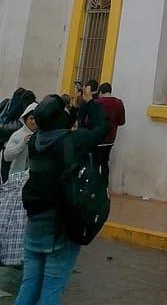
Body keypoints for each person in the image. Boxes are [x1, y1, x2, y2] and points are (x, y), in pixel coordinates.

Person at [15, 92, 106, 305]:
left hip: (35, 226)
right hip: (60, 228)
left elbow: (60, 127)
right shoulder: (74, 141)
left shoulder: (35, 141)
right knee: (51, 290)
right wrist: (91, 102)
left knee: (29, 286)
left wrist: (73, 110)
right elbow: (100, 130)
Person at [0, 102, 37, 299]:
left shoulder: (41, 135)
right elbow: (7, 156)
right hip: (16, 185)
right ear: (25, 119)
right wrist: (23, 143)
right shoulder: (18, 135)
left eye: (36, 119)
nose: (34, 122)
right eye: (31, 119)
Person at [94, 84, 125, 186]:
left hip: (97, 138)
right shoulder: (119, 103)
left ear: (100, 92)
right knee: (104, 163)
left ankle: (95, 187)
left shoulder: (97, 103)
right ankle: (104, 186)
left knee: (94, 163)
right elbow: (121, 121)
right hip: (110, 139)